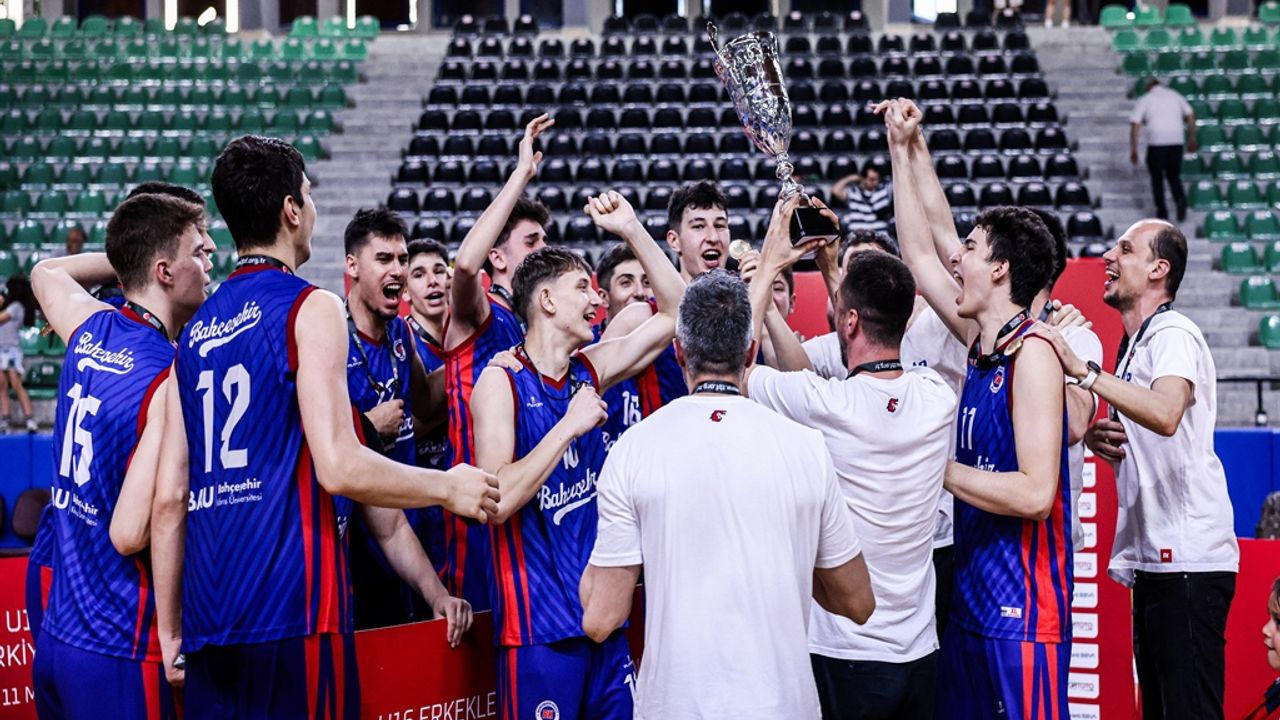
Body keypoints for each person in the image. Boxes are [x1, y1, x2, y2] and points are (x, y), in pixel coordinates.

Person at [149, 136, 499, 718]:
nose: (311, 207)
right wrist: (447, 486)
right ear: (291, 209)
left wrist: (171, 630)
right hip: (294, 607)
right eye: (308, 195)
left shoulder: (194, 331)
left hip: (210, 614)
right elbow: (338, 466)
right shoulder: (311, 306)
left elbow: (170, 496)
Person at [580, 267, 875, 720]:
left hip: (676, 708)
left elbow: (601, 619)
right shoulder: (807, 447)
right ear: (751, 352)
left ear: (679, 351)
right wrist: (790, 562)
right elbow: (857, 602)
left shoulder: (634, 447)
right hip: (782, 707)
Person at [883, 99, 1074, 718]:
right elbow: (918, 252)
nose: (955, 257)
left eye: (969, 247)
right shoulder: (979, 343)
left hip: (1023, 613)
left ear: (999, 269)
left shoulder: (1035, 353)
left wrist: (932, 467)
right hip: (972, 600)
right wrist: (899, 149)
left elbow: (1036, 493)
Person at [470, 191, 685, 719]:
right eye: (582, 288)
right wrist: (568, 426)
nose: (597, 301)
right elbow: (497, 500)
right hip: (538, 633)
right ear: (546, 300)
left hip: (604, 622)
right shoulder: (500, 382)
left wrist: (632, 228)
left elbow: (679, 311)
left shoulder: (590, 368)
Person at [744, 202, 955, 720]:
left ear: (850, 319)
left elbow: (732, 371)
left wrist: (768, 268)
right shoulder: (937, 395)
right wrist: (833, 266)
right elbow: (862, 336)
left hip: (846, 650)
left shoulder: (827, 405)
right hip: (920, 650)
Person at [1028, 219, 1238, 720]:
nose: (1108, 256)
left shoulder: (1173, 332)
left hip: (1187, 562)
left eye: (1124, 249)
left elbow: (1165, 412)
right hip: (1160, 562)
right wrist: (1100, 435)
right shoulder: (1140, 343)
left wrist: (1085, 373)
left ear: (1158, 269)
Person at [29, 191, 215, 719]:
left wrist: (133, 258)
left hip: (57, 638)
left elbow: (45, 271)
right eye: (197, 252)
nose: (209, 261)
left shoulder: (88, 327)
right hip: (120, 645)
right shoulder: (170, 375)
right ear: (164, 271)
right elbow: (130, 533)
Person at [437, 114, 554, 611]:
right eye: (531, 243)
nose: (544, 250)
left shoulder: (536, 331)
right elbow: (466, 265)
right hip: (474, 521)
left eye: (545, 241)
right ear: (499, 259)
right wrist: (521, 174)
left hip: (524, 506)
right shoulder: (481, 314)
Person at [339, 208, 472, 638]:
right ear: (352, 266)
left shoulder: (400, 333)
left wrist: (476, 359)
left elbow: (428, 403)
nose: (396, 269)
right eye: (384, 259)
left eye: (401, 259)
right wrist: (365, 425)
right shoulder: (331, 338)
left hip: (410, 532)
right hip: (357, 549)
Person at [1131, 77, 1197, 222]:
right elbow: (1191, 115)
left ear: (1148, 87)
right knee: (1174, 175)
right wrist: (1192, 138)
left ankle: (1162, 211)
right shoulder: (1175, 95)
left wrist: (1134, 148)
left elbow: (1135, 124)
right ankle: (1180, 198)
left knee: (1157, 178)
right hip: (1176, 140)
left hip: (1157, 142)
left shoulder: (1146, 99)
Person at [0, 276, 38, 432]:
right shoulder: (10, 306)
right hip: (1, 350)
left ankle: (29, 419)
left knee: (16, 385)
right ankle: (5, 419)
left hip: (11, 351)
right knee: (2, 386)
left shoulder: (16, 307)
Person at [831, 167, 893, 234]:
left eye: (877, 179)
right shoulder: (853, 192)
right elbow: (835, 191)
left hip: (880, 235)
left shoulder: (883, 190)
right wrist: (850, 178)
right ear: (863, 179)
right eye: (872, 179)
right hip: (858, 236)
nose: (876, 183)